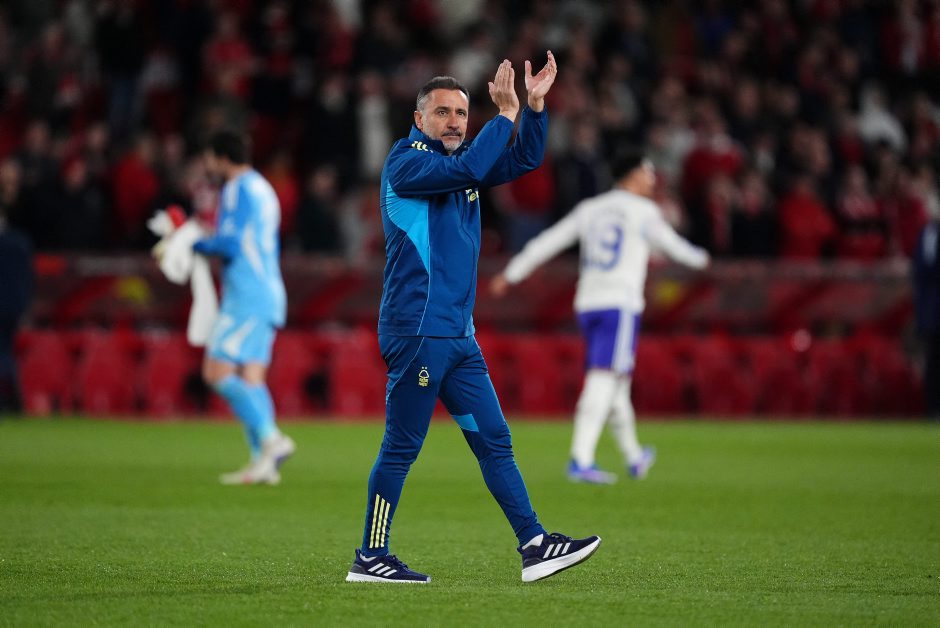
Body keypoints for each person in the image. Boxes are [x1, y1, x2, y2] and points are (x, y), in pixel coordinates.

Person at [345, 54, 601, 585]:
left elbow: (524, 159)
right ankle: (370, 556)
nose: (455, 122)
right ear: (419, 119)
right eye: (442, 112)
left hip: (458, 335)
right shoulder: (407, 164)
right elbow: (467, 169)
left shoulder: (461, 164)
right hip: (418, 330)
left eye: (462, 113)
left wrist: (533, 109)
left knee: (494, 440)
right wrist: (503, 116)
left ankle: (534, 544)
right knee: (402, 446)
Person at [491, 151, 710, 484]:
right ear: (631, 175)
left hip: (589, 303)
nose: (652, 179)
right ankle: (581, 459)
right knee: (605, 377)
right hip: (620, 303)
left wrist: (512, 273)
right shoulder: (644, 211)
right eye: (647, 172)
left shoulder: (590, 209)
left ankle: (634, 456)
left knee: (617, 382)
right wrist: (704, 260)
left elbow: (548, 242)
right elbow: (677, 249)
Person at [195, 130, 295, 485]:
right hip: (268, 290)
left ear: (222, 157)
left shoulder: (236, 188)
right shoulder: (263, 187)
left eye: (209, 157)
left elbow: (231, 244)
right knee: (252, 378)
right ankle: (262, 464)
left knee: (216, 372)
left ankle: (272, 439)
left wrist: (195, 242)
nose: (207, 165)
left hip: (247, 295)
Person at [0, 203, 33, 414]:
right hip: (15, 306)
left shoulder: (13, 243)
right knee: (6, 350)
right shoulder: (20, 242)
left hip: (6, 306)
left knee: (3, 351)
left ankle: (8, 397)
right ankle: (13, 398)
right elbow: (28, 278)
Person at [912, 194, 940, 420]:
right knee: (933, 360)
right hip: (931, 311)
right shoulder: (925, 234)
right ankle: (932, 409)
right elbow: (919, 272)